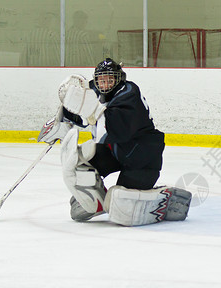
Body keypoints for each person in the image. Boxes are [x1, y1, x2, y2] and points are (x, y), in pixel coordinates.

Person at [38, 58, 191, 226]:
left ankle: (163, 199)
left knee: (120, 205)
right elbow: (82, 110)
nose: (105, 84)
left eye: (110, 79)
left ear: (119, 79)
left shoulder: (129, 93)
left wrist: (92, 110)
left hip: (142, 159)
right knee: (79, 163)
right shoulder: (95, 89)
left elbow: (115, 130)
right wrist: (60, 121)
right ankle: (96, 201)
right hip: (115, 152)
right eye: (101, 80)